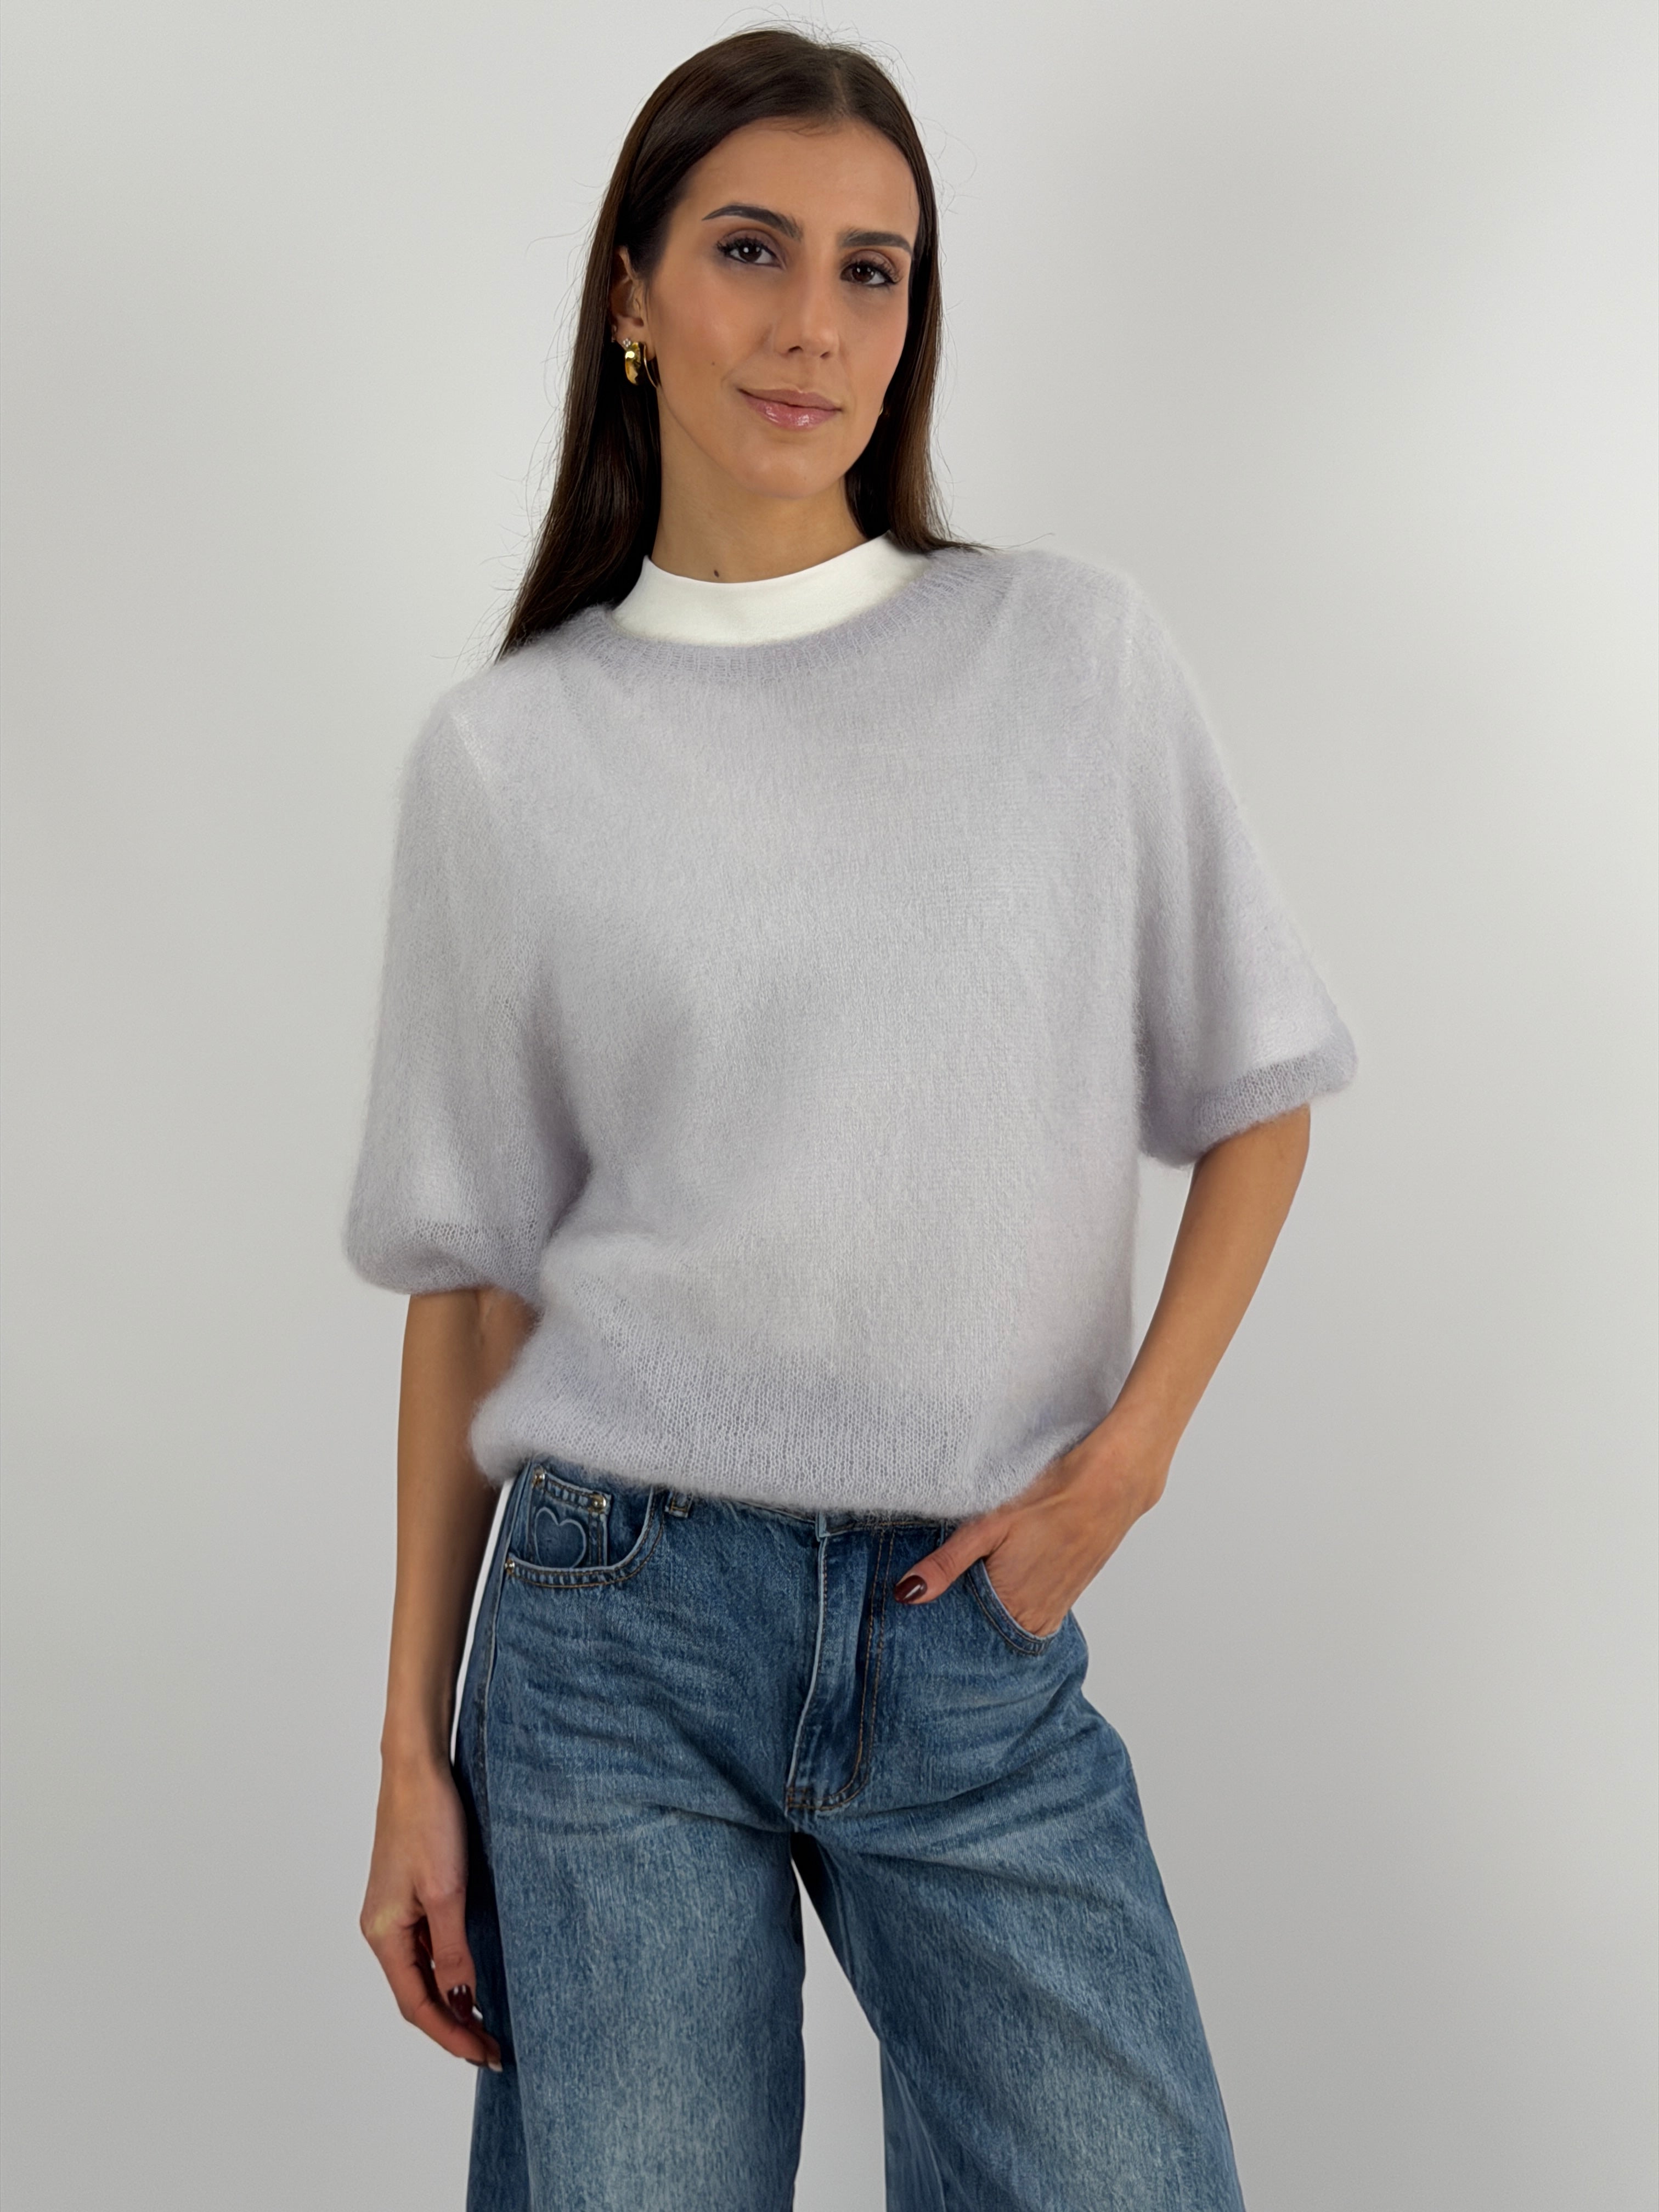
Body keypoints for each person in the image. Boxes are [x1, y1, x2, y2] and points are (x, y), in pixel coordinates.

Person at [347, 27, 1357, 2211]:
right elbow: (473, 1295)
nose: (816, 324)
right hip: (611, 1630)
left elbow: (1259, 1098)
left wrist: (1126, 1462)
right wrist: (411, 1758)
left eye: (873, 271)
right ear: (633, 294)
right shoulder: (512, 758)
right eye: (751, 252)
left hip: (971, 1623)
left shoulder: (1068, 657)